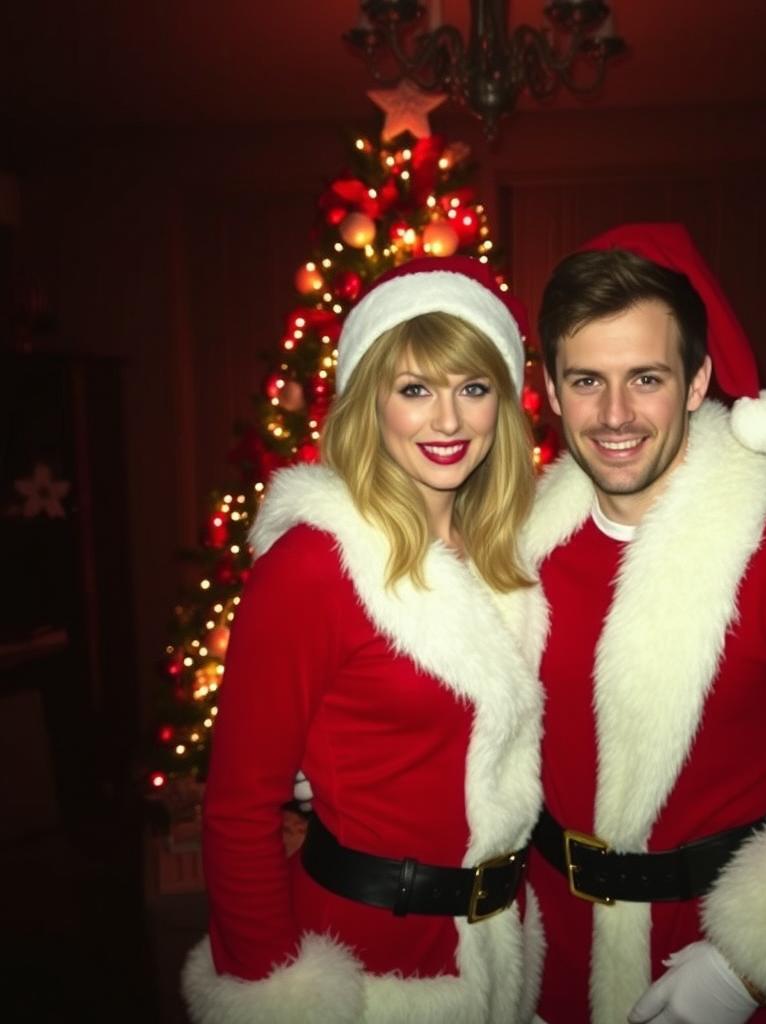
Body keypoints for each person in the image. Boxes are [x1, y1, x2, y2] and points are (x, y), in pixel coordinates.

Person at [522, 223, 766, 1024]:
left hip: (707, 959)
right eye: (587, 381)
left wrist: (744, 968)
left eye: (645, 378)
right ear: (553, 389)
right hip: (540, 954)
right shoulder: (519, 542)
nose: (613, 415)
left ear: (698, 380)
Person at [182, 256, 547, 1024]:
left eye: (472, 389)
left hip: (500, 956)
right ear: (369, 404)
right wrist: (274, 993)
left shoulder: (512, 553)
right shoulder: (314, 565)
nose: (447, 422)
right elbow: (238, 810)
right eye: (415, 390)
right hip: (366, 972)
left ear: (504, 404)